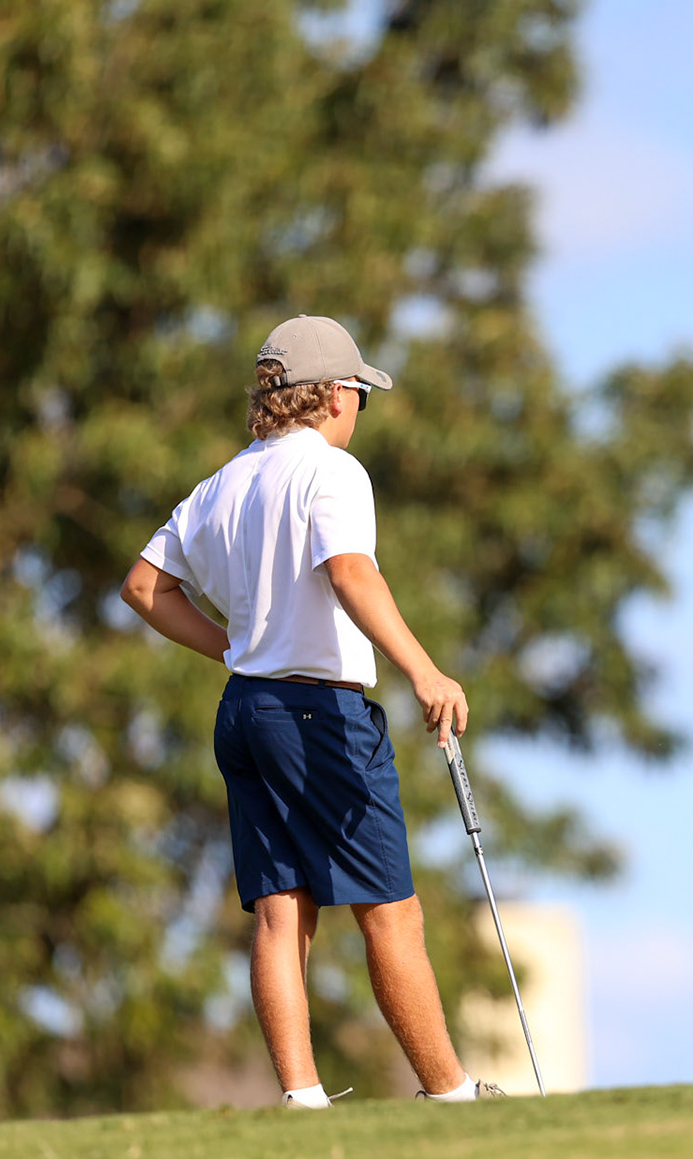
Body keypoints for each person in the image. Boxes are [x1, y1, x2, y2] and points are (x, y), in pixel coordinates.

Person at [120, 315, 502, 1106]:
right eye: (360, 392)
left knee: (279, 913)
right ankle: (451, 1095)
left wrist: (230, 648)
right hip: (319, 715)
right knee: (389, 911)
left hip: (247, 711)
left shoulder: (221, 483)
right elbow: (350, 571)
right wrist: (425, 671)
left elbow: (144, 588)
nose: (359, 407)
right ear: (332, 394)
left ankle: (302, 1099)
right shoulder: (332, 471)